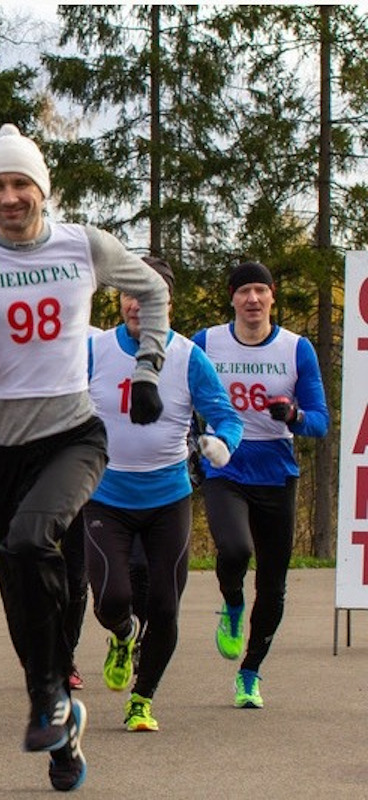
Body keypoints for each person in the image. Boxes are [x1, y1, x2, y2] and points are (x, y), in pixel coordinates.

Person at [0, 124, 170, 792]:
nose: (9, 196)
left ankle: (55, 691)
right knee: (19, 597)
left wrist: (149, 368)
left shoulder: (82, 244)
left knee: (34, 542)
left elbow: (151, 291)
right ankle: (59, 718)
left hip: (71, 435)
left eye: (20, 184)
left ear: (42, 189)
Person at [84, 256, 242, 731]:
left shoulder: (189, 357)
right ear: (120, 298)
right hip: (106, 495)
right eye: (131, 293)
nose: (139, 304)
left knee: (166, 606)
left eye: (151, 295)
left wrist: (222, 443)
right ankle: (122, 634)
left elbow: (228, 417)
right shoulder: (95, 349)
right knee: (112, 599)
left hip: (167, 497)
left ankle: (142, 698)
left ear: (168, 303)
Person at [193, 261, 328, 709]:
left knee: (273, 585)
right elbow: (179, 393)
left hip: (276, 473)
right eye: (243, 291)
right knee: (235, 551)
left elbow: (320, 422)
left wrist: (294, 416)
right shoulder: (206, 343)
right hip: (225, 466)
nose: (253, 299)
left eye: (261, 291)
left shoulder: (296, 349)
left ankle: (250, 673)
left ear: (272, 297)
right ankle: (232, 605)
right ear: (231, 297)